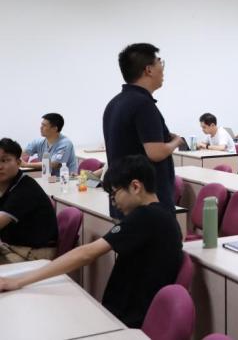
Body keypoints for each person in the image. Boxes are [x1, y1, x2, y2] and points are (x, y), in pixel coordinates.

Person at [0, 155, 183, 328]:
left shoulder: (145, 217)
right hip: (125, 313)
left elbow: (86, 254)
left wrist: (20, 281)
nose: (114, 203)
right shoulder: (161, 215)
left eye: (114, 194)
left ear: (135, 187)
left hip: (125, 321)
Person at [103, 43, 181, 218]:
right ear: (149, 70)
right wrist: (176, 141)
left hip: (124, 198)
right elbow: (156, 153)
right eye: (159, 62)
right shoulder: (143, 104)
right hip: (145, 204)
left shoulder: (115, 103)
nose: (162, 68)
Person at [0, 138, 58, 264]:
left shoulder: (25, 189)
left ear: (18, 162)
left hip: (34, 253)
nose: (0, 166)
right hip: (14, 246)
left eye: (4, 160)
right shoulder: (6, 184)